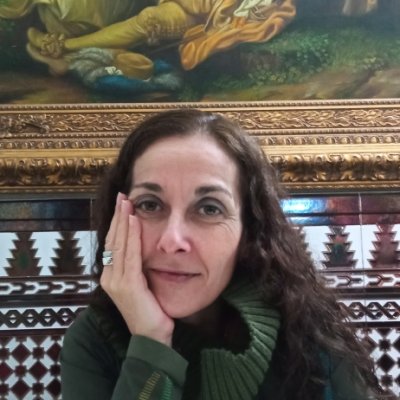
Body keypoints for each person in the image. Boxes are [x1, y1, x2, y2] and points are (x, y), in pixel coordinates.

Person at [60, 109, 380, 399]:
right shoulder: (93, 339)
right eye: (150, 204)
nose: (172, 241)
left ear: (248, 230)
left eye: (209, 209)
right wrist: (151, 343)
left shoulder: (308, 330)